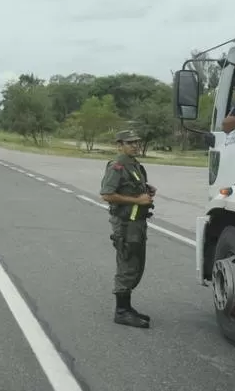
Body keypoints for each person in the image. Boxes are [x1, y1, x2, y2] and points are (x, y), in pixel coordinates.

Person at [100, 129, 155, 329]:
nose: (134, 145)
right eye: (130, 142)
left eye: (136, 142)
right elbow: (107, 194)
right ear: (119, 145)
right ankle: (121, 311)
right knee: (127, 264)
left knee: (136, 264)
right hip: (125, 224)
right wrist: (137, 200)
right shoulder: (117, 166)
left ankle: (127, 307)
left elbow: (131, 187)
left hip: (136, 222)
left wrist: (146, 190)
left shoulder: (134, 165)